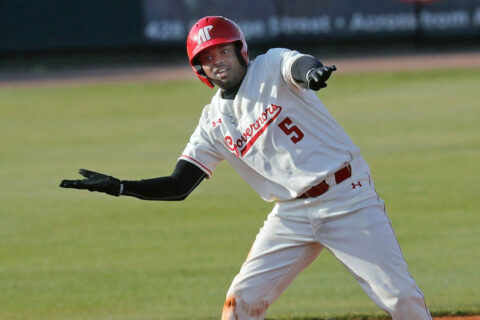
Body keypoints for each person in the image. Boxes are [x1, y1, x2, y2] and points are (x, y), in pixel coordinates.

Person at [60, 16, 432, 320]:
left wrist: (313, 72)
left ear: (240, 50)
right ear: (199, 69)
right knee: (241, 304)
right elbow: (179, 185)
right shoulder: (212, 123)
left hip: (346, 196)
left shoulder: (270, 66)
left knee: (400, 299)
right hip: (291, 214)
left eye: (223, 49)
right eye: (207, 57)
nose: (217, 60)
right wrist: (121, 186)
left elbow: (298, 65)